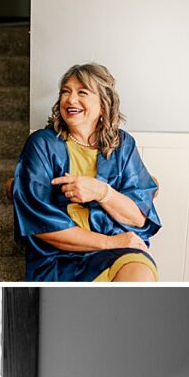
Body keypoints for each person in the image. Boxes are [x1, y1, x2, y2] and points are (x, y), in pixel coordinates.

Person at [12, 63, 162, 281]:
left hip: (119, 249)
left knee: (140, 274)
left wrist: (102, 193)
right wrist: (110, 243)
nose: (71, 99)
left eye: (82, 92)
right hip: (58, 257)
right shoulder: (41, 145)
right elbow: (38, 224)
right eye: (66, 91)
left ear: (103, 105)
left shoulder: (122, 144)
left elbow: (138, 218)